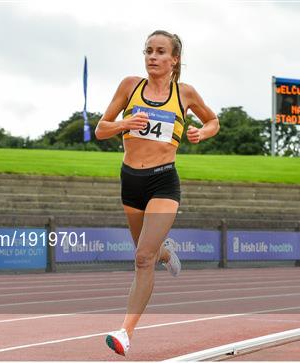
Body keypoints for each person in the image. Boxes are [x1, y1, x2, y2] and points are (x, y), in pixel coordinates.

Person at [94, 30, 220, 356]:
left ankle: (125, 332)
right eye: (148, 50)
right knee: (147, 251)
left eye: (160, 51)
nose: (152, 56)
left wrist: (201, 132)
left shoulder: (185, 93)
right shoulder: (129, 86)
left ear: (174, 59)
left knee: (141, 258)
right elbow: (100, 128)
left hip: (164, 180)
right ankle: (166, 253)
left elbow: (213, 121)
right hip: (130, 180)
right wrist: (125, 124)